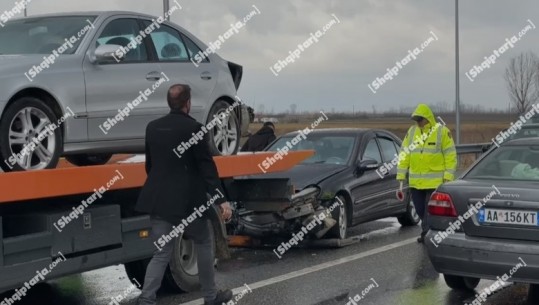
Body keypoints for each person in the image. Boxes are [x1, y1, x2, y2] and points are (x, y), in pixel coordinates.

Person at [135, 84, 233, 305]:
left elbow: (150, 166)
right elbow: (207, 168)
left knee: (161, 253)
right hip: (190, 204)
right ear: (187, 103)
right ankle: (211, 297)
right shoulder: (195, 129)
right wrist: (221, 200)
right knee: (204, 243)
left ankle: (146, 300)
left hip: (159, 201)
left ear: (170, 103)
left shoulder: (152, 128)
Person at [396, 103, 457, 243]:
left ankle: (427, 234)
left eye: (420, 120)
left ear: (427, 118)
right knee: (419, 209)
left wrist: (448, 176)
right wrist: (400, 177)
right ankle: (431, 229)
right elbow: (404, 154)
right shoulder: (412, 132)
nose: (418, 123)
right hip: (416, 182)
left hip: (434, 182)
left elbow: (450, 155)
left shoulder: (441, 132)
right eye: (416, 120)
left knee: (429, 209)